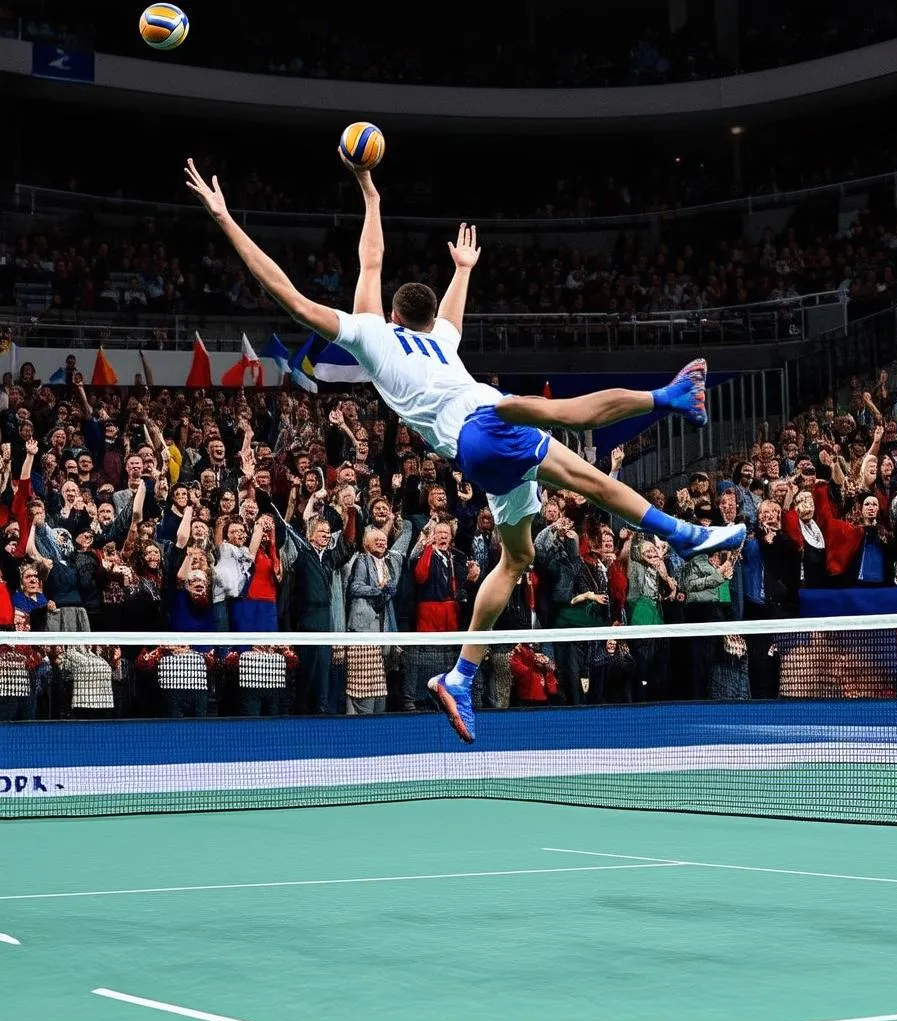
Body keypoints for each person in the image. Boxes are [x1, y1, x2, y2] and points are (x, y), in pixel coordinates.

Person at [184, 155, 745, 744]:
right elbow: (383, 275)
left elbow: (318, 282)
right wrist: (427, 241)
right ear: (417, 320)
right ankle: (673, 432)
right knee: (567, 441)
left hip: (476, 452)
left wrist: (367, 200)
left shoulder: (387, 336)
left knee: (517, 557)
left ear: (397, 313)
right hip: (484, 424)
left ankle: (460, 675)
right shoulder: (424, 344)